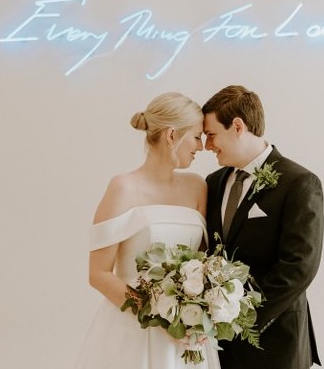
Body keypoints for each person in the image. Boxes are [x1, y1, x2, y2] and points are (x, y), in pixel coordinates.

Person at [74, 92, 220, 369]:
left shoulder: (197, 186)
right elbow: (99, 273)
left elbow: (203, 263)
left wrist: (195, 315)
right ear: (171, 136)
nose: (201, 146)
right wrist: (160, 316)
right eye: (197, 136)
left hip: (188, 335)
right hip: (134, 328)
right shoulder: (123, 187)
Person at [202, 85, 324, 369]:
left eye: (211, 135)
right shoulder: (214, 183)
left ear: (237, 126)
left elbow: (299, 266)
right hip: (219, 347)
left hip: (274, 341)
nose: (207, 146)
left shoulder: (299, 182)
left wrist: (241, 318)